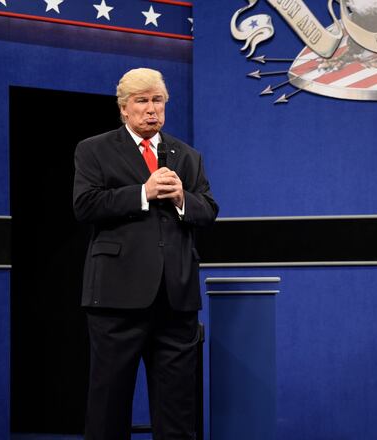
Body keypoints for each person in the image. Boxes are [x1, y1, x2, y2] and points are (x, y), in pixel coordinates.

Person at [73, 67, 218, 440]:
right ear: (124, 108)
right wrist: (144, 192)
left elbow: (209, 210)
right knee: (109, 405)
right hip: (116, 299)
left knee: (177, 409)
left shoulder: (187, 156)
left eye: (158, 100)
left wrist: (183, 198)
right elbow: (85, 206)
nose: (151, 109)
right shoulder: (94, 149)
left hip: (176, 300)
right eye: (142, 101)